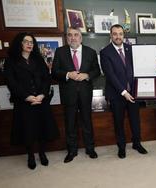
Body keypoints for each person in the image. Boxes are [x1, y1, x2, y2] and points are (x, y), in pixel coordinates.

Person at [4, 32, 59, 170]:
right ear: (19, 43)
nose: (29, 44)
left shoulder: (39, 60)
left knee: (42, 129)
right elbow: (11, 82)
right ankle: (30, 155)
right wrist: (26, 96)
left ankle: (42, 153)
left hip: (41, 101)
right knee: (27, 130)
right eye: (26, 41)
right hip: (24, 102)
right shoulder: (11, 61)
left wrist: (42, 95)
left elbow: (47, 79)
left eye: (31, 42)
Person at [52, 27, 101, 163]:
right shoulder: (60, 52)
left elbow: (97, 71)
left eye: (76, 35)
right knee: (70, 123)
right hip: (68, 93)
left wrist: (87, 75)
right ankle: (72, 151)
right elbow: (54, 72)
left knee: (87, 121)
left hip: (85, 93)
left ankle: (90, 149)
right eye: (70, 35)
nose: (73, 38)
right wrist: (68, 74)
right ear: (67, 38)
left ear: (81, 37)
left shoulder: (90, 52)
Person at [100, 24, 148, 159]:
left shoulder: (131, 49)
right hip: (117, 94)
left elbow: (140, 67)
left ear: (123, 35)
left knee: (135, 120)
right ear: (110, 35)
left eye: (120, 33)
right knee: (118, 122)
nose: (118, 36)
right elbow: (110, 75)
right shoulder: (105, 52)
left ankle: (137, 143)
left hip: (133, 92)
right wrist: (123, 92)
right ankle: (121, 147)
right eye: (115, 34)